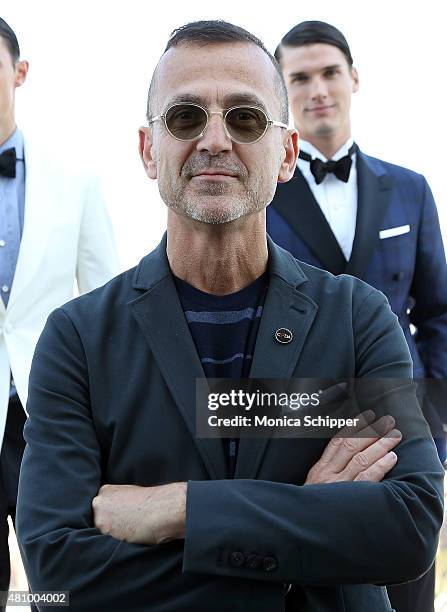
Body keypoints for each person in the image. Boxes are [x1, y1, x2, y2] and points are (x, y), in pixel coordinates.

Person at [16, 20, 443, 612]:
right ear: (148, 150)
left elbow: (409, 527)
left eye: (244, 118)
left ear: (286, 153)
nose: (214, 140)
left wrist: (181, 509)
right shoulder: (79, 338)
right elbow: (55, 577)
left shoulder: (356, 317)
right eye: (186, 117)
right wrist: (305, 531)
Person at [267, 20, 447, 611]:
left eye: (329, 73)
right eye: (300, 78)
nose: (317, 89)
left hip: (402, 422)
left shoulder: (411, 189)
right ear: (282, 92)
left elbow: (438, 310)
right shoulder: (260, 194)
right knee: (307, 585)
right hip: (295, 425)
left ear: (353, 79)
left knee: (410, 580)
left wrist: (434, 411)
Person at [0, 16, 119, 609]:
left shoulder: (76, 181)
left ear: (20, 73)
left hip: (52, 412)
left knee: (63, 583)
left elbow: (108, 307)